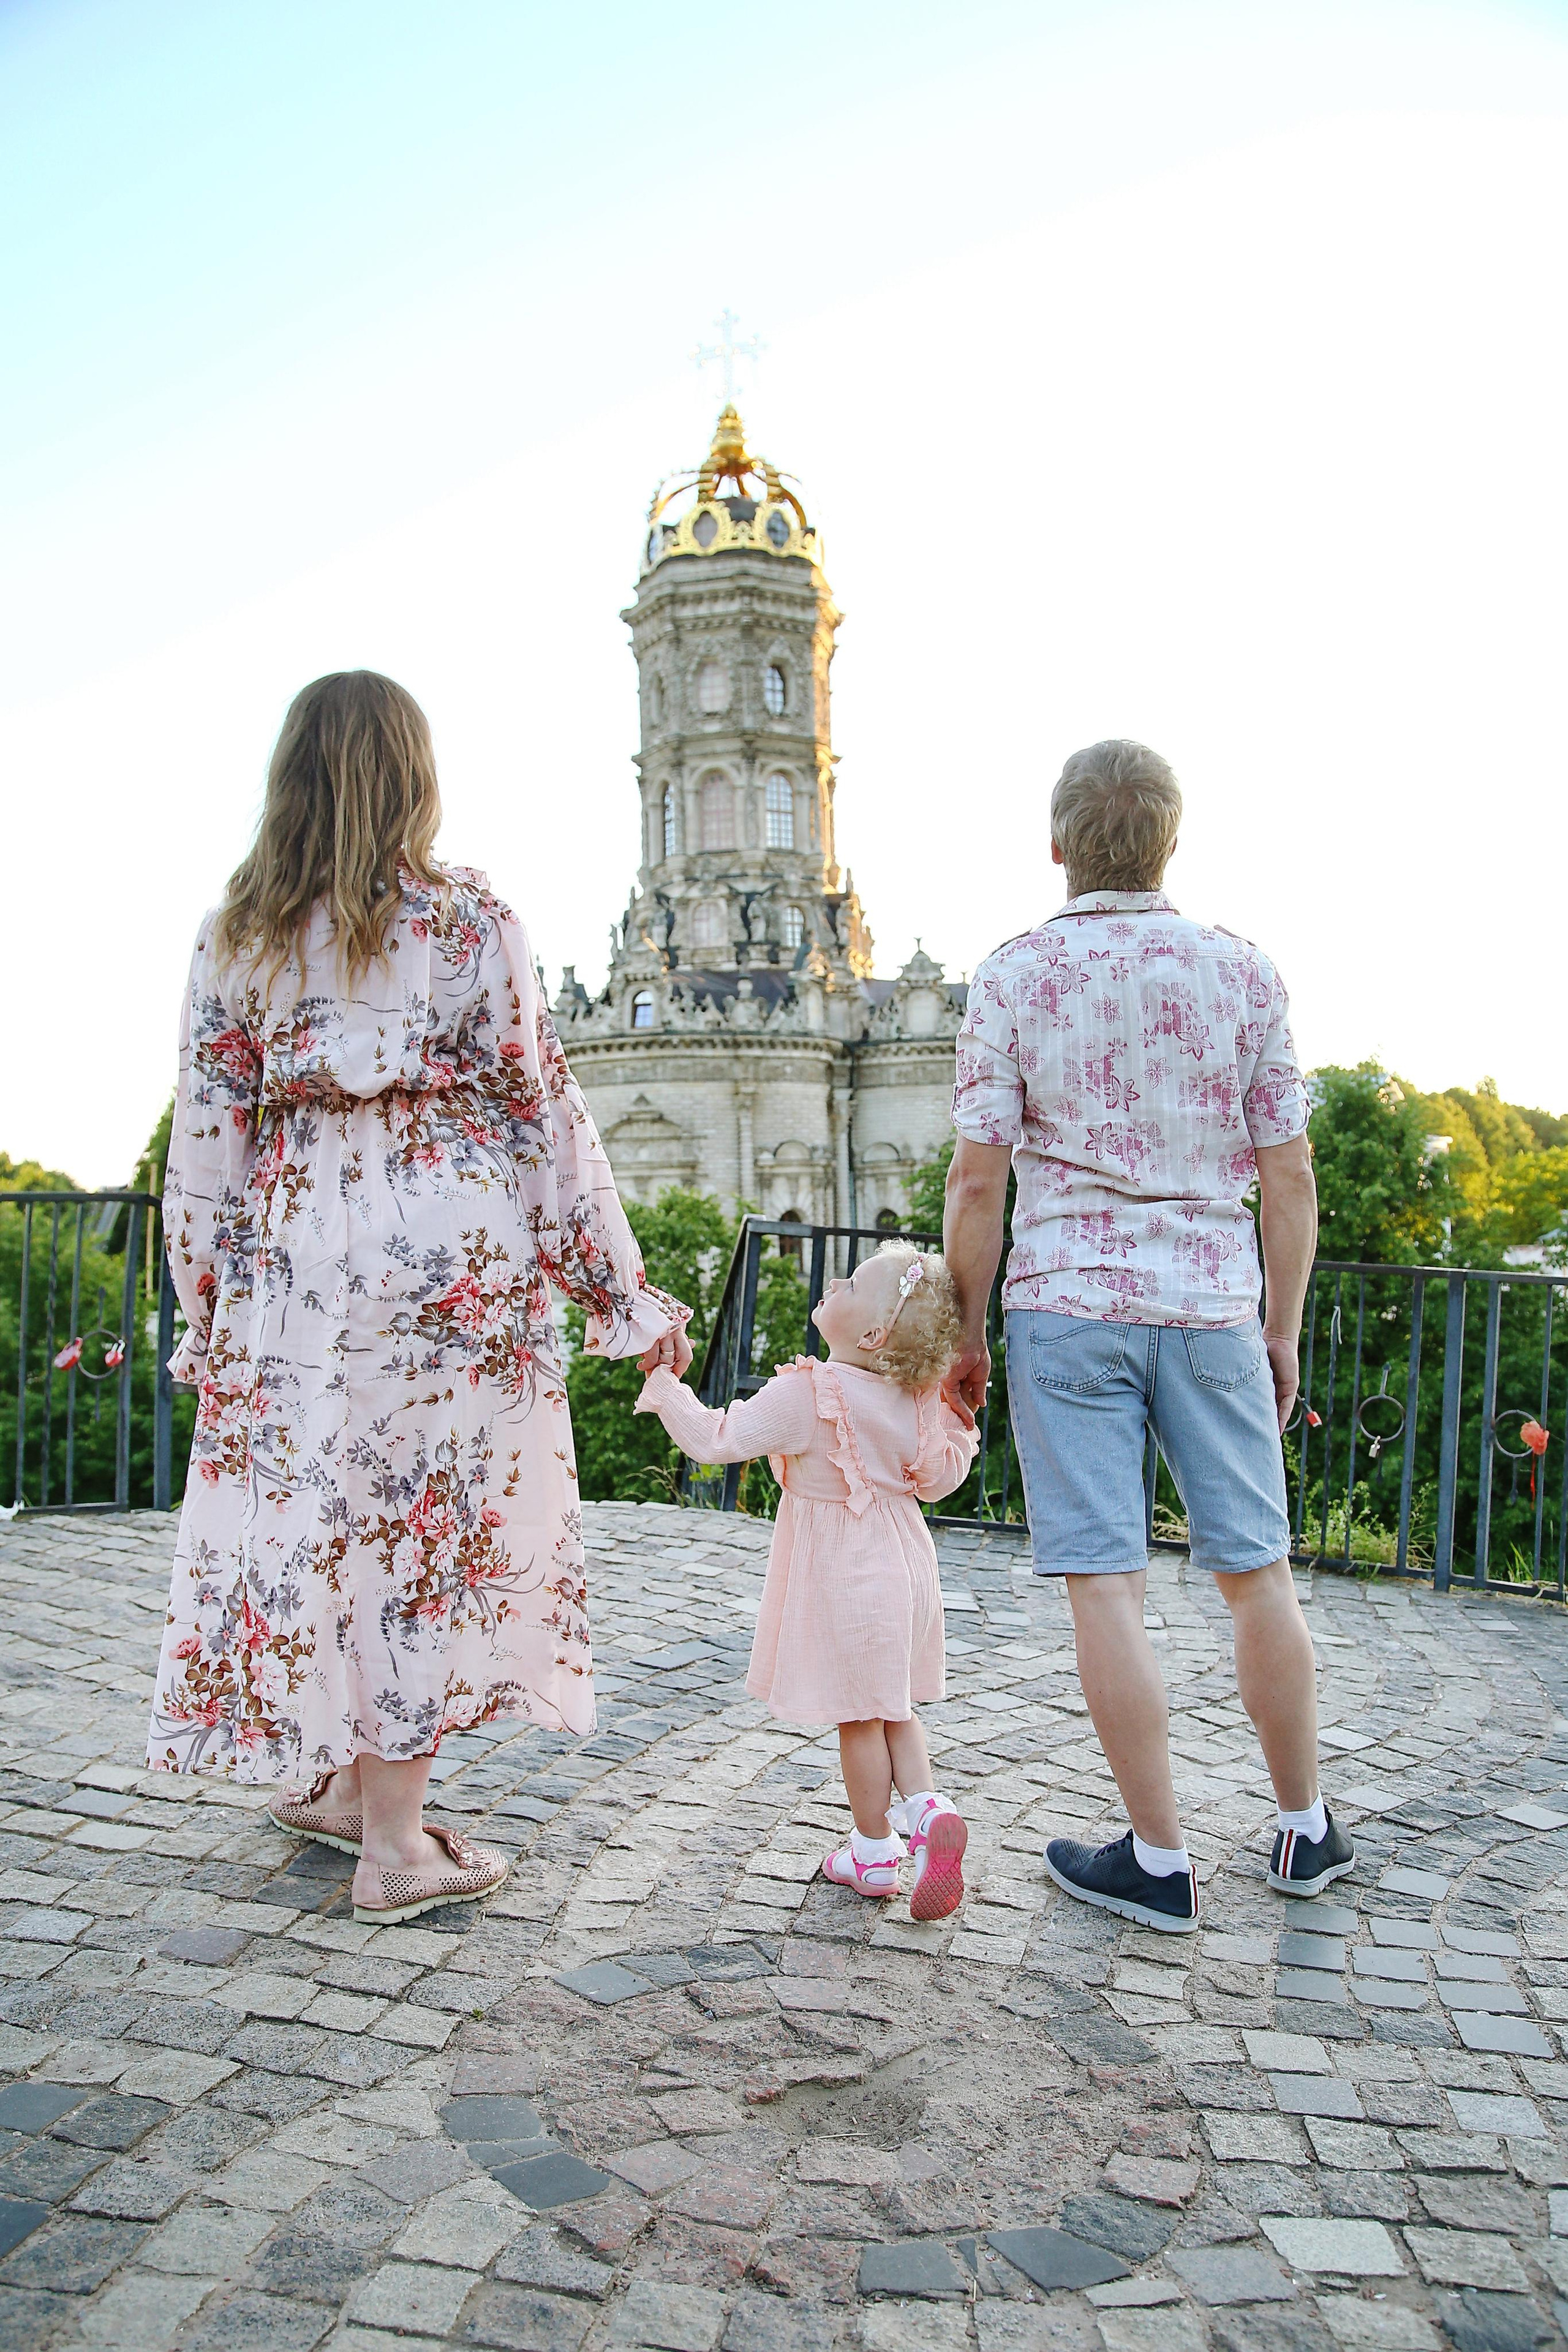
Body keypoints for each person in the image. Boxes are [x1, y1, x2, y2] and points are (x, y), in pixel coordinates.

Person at [148, 671, 691, 1926]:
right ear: (414, 774)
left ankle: (343, 1787)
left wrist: (209, 1317)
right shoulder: (469, 921)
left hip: (294, 1266)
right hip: (446, 1266)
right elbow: (541, 1115)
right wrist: (620, 1290)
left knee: (324, 1522)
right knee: (421, 1537)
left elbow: (206, 1150)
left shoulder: (237, 934)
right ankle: (394, 1843)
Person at [943, 739, 1349, 1932]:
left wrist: (963, 1332)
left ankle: (1158, 1860)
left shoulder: (1013, 975)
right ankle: (1302, 1827)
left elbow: (976, 1183)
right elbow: (1289, 1181)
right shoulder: (1240, 972)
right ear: (1169, 840)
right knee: (1253, 1571)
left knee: (1104, 1586)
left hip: (1065, 1307)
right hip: (1211, 1304)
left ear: (1057, 844)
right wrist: (1276, 1331)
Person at [636, 1243, 979, 1918]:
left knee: (858, 1718)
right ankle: (929, 1806)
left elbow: (718, 1439)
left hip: (848, 1580)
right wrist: (958, 1430)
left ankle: (875, 1852)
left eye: (850, 1283)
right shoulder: (914, 1398)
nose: (834, 1279)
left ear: (872, 1335)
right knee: (895, 1706)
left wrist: (665, 1390)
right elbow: (940, 1479)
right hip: (907, 1570)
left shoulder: (808, 1393)